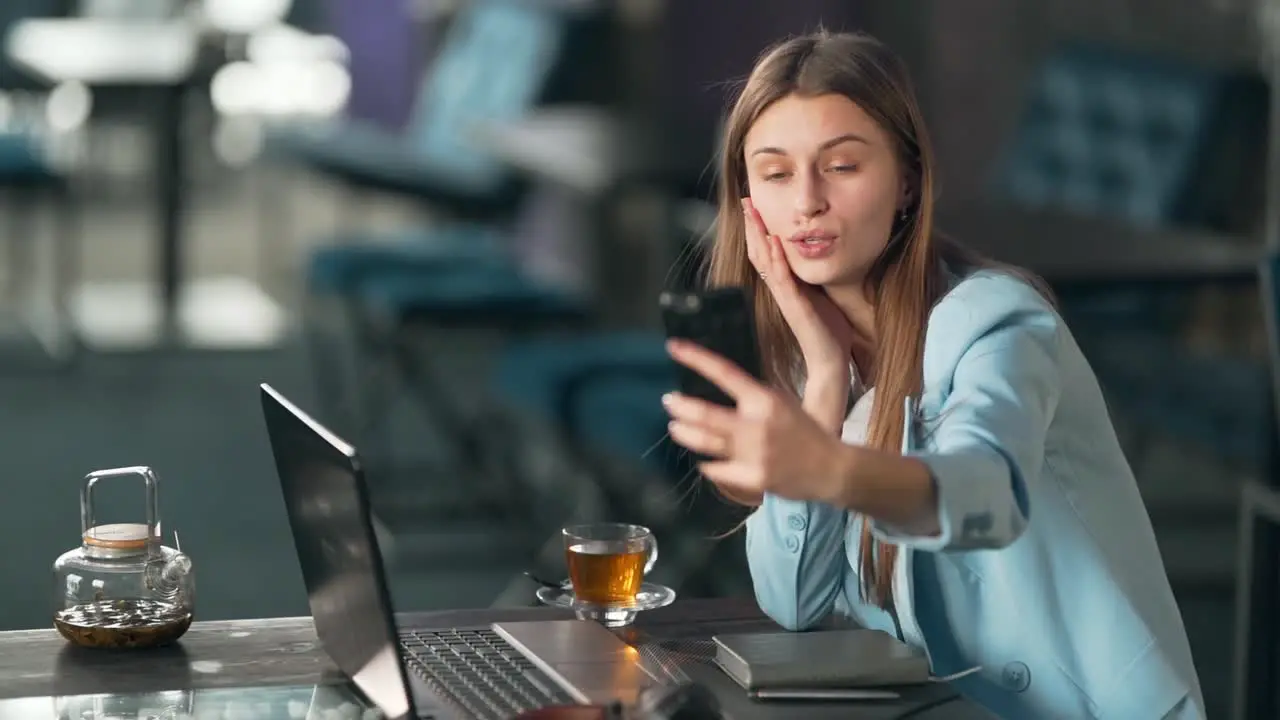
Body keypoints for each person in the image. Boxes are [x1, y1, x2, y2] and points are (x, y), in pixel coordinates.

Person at [660, 30, 1205, 719]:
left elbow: (988, 494)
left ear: (908, 181)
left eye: (843, 166)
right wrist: (825, 380)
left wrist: (829, 469)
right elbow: (794, 603)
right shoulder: (807, 350)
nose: (806, 202)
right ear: (748, 202)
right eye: (774, 173)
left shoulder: (996, 322)